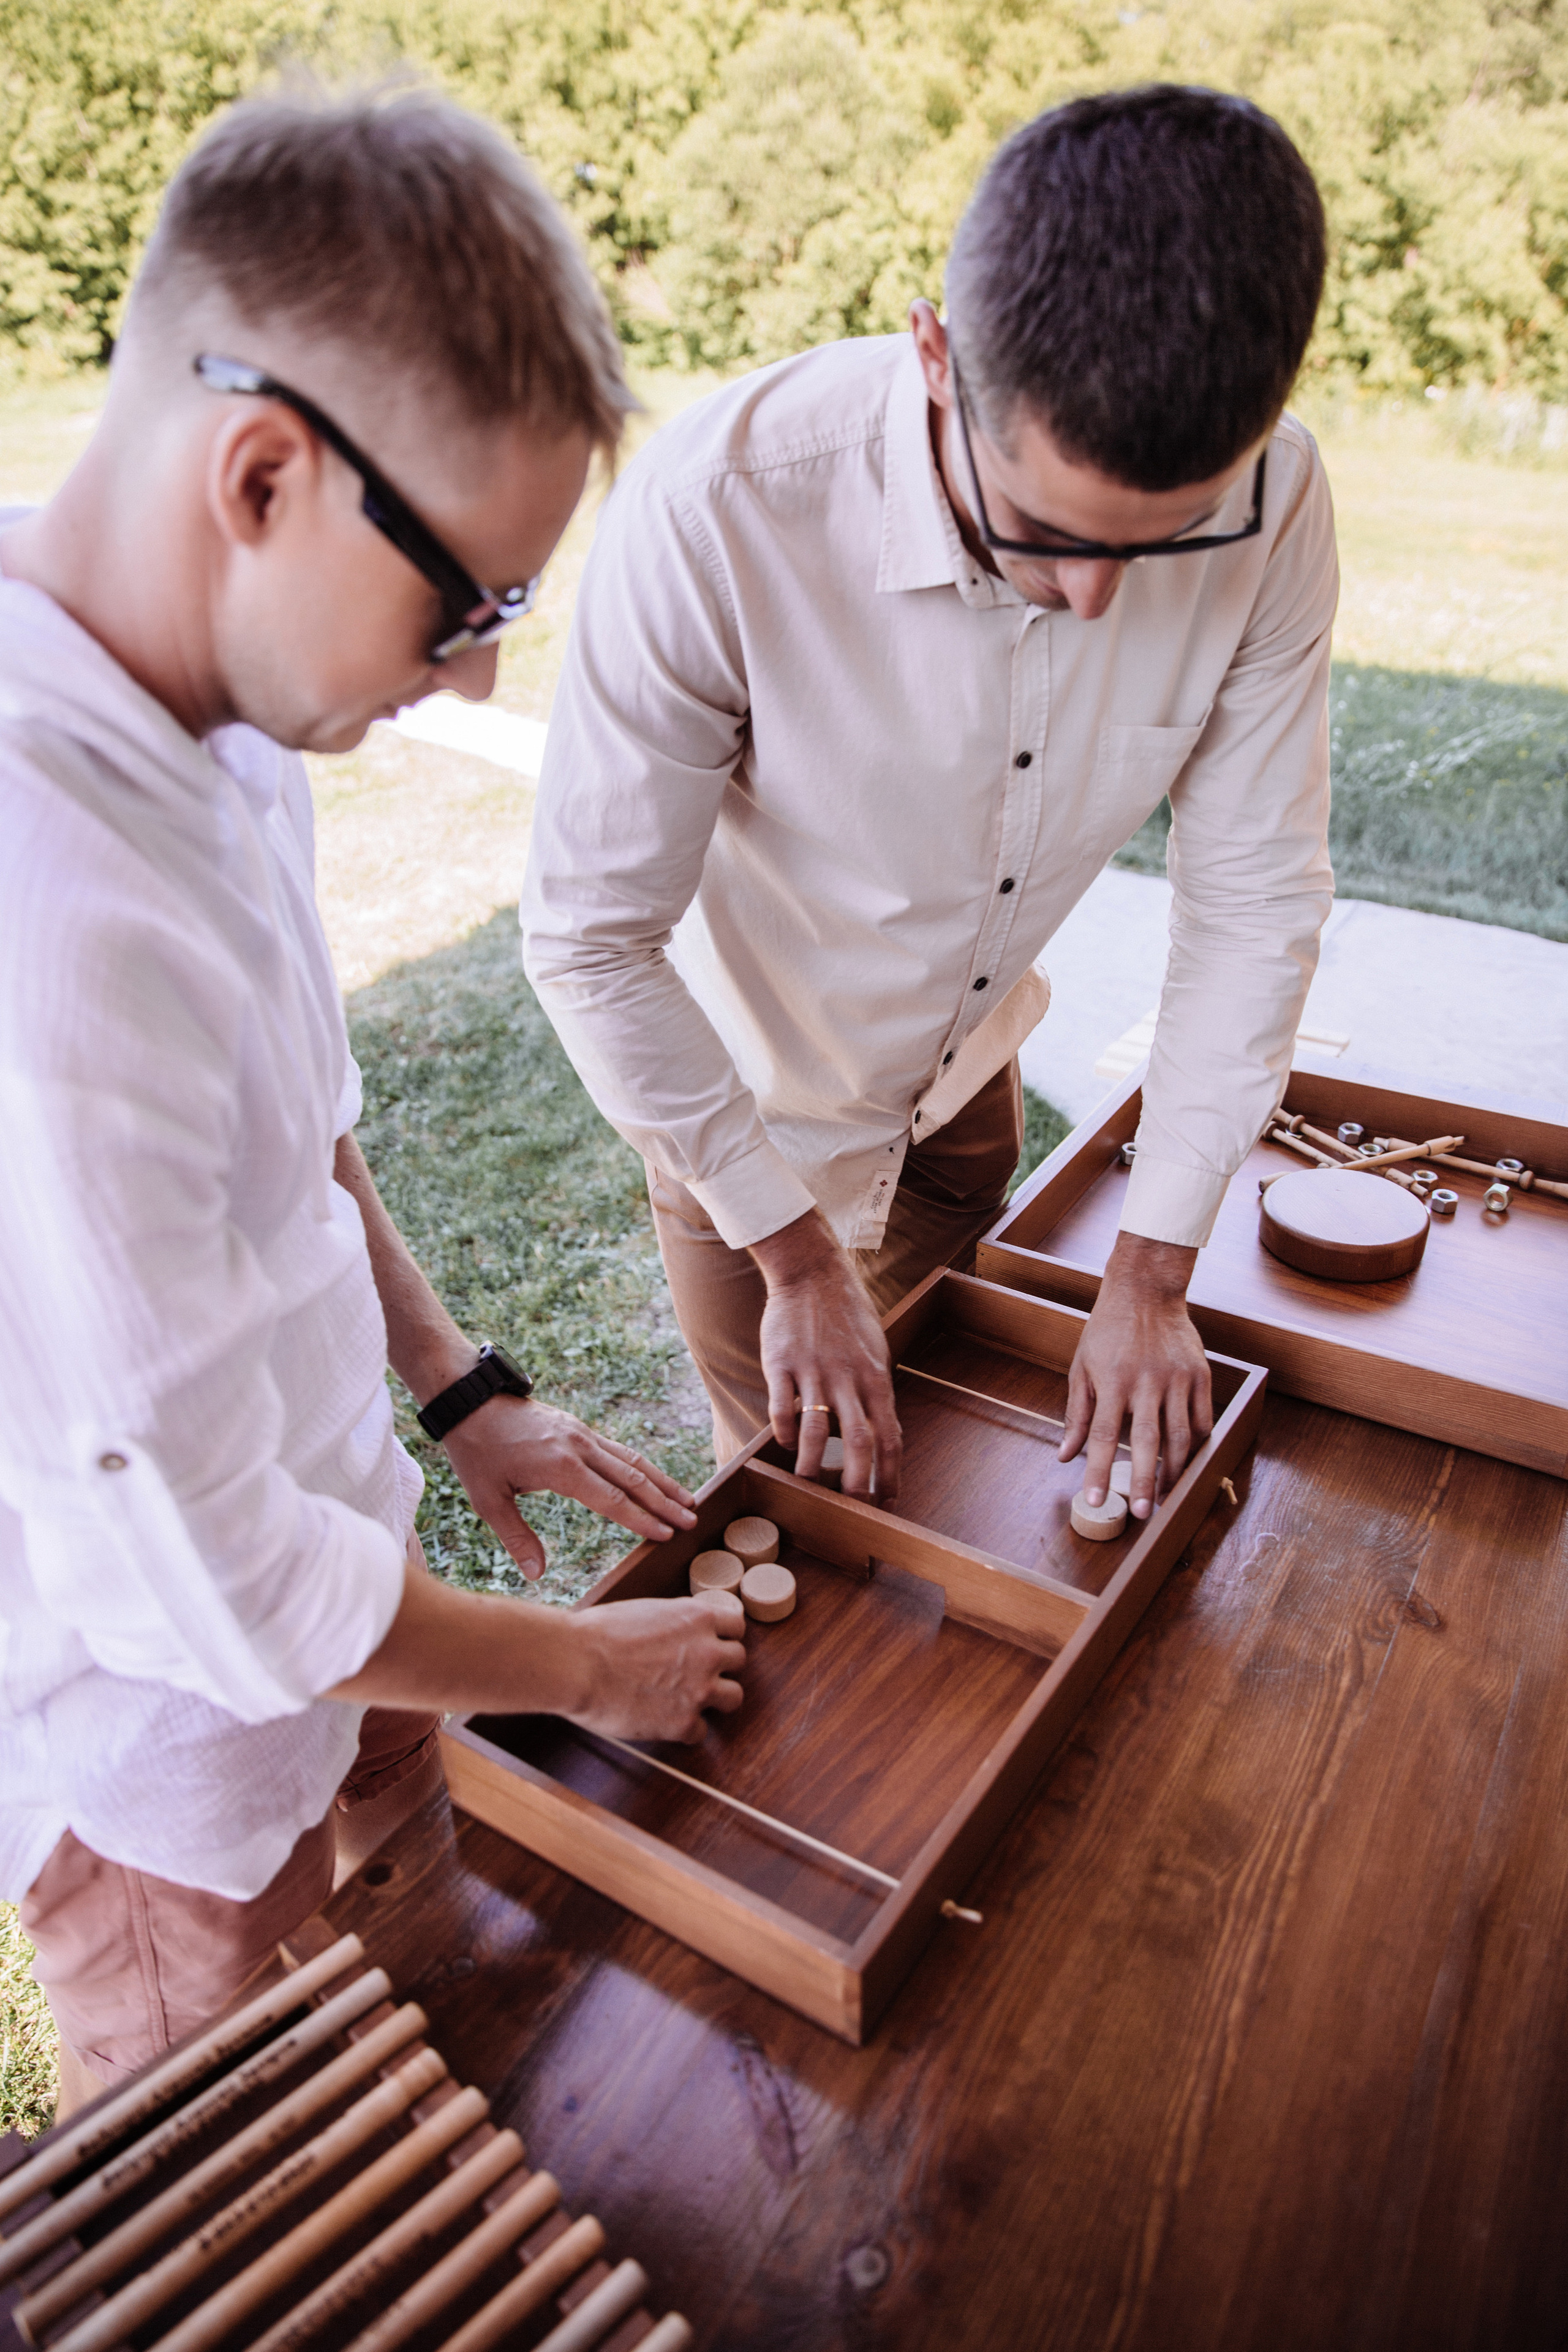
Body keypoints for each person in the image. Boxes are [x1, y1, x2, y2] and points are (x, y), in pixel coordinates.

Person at [0, 87, 745, 2115]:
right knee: (248, 2213)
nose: (483, 678)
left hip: (370, 1624)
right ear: (261, 472)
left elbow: (302, 1146)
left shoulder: (217, 705)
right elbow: (223, 1594)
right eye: (468, 604)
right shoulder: (49, 917)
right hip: (176, 1794)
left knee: (434, 2043)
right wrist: (591, 1666)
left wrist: (454, 1379)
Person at [522, 84, 1336, 1518]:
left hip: (967, 1087)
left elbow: (1251, 899)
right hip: (752, 1128)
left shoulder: (1276, 498)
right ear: (935, 355)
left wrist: (1151, 1268)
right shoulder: (716, 509)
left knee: (960, 1471)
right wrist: (788, 1258)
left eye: (1160, 550)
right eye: (1046, 533)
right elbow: (588, 941)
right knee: (801, 1504)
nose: (1094, 602)